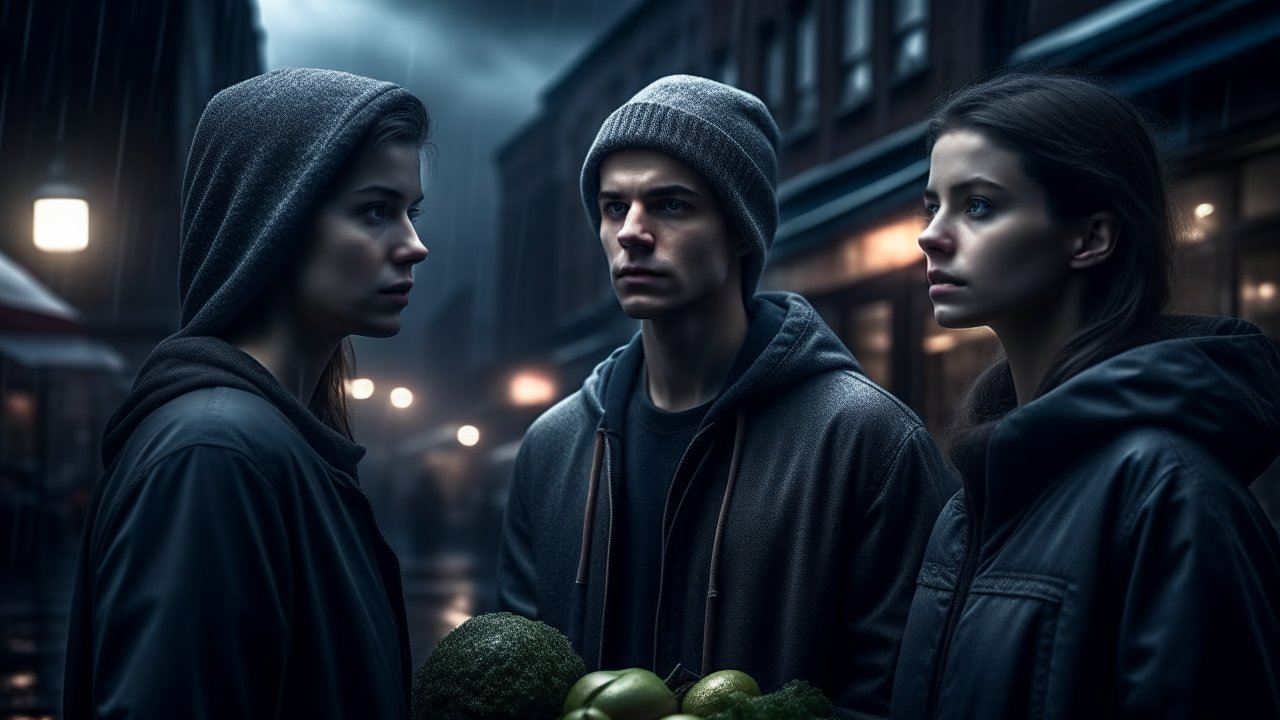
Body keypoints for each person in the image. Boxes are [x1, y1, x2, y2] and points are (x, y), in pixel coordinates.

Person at [497, 74, 952, 718]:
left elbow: (898, 691)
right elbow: (515, 674)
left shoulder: (866, 439)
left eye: (671, 204)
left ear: (741, 227)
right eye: (612, 206)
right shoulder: (553, 445)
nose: (632, 230)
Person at [893, 68, 1280, 719]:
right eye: (933, 205)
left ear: (1092, 236)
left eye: (978, 205)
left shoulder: (1169, 491)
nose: (932, 234)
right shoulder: (978, 494)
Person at [63, 68, 430, 718]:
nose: (414, 246)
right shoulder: (215, 453)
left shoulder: (264, 442)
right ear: (276, 218)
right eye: (375, 210)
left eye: (411, 211)